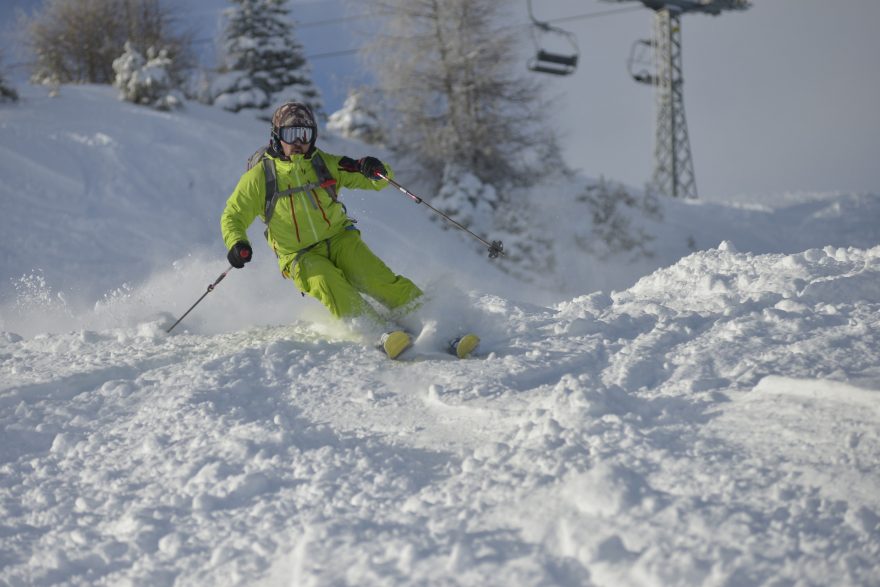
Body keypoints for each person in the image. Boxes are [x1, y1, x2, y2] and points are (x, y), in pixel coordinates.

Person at [220, 102, 478, 359]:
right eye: (291, 135)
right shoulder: (261, 178)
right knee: (327, 281)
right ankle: (377, 331)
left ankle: (438, 326)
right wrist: (237, 243)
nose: (299, 142)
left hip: (340, 238)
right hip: (299, 255)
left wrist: (374, 169)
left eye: (305, 135)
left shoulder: (325, 164)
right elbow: (233, 215)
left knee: (377, 278)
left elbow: (374, 180)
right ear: (277, 137)